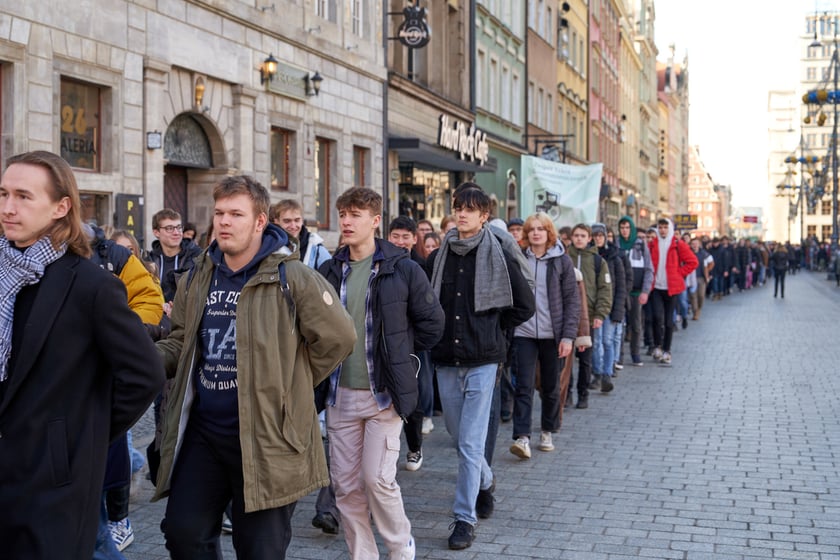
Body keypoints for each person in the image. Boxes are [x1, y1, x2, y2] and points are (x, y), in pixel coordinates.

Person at [152, 175, 356, 559]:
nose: (224, 222)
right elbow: (181, 339)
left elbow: (340, 339)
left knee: (259, 550)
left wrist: (290, 382)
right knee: (183, 534)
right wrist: (144, 358)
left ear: (260, 221)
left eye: (235, 214)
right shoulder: (199, 274)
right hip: (204, 435)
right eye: (219, 213)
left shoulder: (291, 277)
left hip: (267, 440)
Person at [0, 150, 163, 558]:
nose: (8, 208)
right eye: (3, 194)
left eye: (23, 196)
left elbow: (144, 374)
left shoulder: (90, 284)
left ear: (61, 206)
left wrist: (79, 436)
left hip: (51, 480)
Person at [319, 188, 444, 560]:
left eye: (355, 214)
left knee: (376, 478)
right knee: (344, 486)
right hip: (339, 393)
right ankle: (363, 554)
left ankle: (400, 545)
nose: (346, 221)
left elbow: (432, 323)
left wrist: (401, 355)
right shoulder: (329, 269)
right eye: (342, 213)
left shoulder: (401, 267)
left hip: (383, 393)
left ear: (375, 221)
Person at [428, 183, 535, 550]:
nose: (461, 214)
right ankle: (486, 482)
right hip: (445, 358)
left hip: (484, 360)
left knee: (471, 443)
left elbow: (524, 306)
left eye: (470, 209)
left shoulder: (499, 254)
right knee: (460, 440)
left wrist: (495, 335)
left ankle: (464, 518)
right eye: (458, 207)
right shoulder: (439, 254)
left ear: (484, 215)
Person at [509, 213, 580, 459]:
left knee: (550, 386)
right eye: (532, 229)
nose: (536, 233)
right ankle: (522, 436)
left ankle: (547, 430)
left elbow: (572, 301)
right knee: (524, 385)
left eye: (541, 229)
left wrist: (569, 336)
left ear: (549, 233)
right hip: (524, 332)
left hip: (553, 334)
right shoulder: (519, 259)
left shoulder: (561, 261)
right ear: (527, 234)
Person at [387, 215, 436, 469]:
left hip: (414, 343)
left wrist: (421, 342)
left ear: (414, 239)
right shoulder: (381, 263)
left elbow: (430, 310)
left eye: (406, 236)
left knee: (414, 396)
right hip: (388, 341)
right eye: (396, 236)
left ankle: (415, 447)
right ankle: (389, 448)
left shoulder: (421, 266)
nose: (400, 241)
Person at [565, 224, 612, 409]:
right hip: (567, 318)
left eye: (582, 235)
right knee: (566, 360)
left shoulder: (598, 261)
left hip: (589, 317)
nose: (578, 239)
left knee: (585, 360)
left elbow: (605, 290)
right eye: (575, 235)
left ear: (589, 238)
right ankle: (566, 393)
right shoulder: (564, 258)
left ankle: (582, 394)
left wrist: (600, 313)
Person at [647, 218, 698, 365]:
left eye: (665, 227)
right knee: (657, 317)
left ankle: (667, 350)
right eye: (660, 227)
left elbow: (693, 262)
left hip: (671, 288)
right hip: (656, 287)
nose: (662, 230)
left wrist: (679, 274)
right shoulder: (653, 244)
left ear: (669, 229)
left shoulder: (677, 244)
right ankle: (657, 345)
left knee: (669, 321)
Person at [589, 223, 626, 393]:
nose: (598, 238)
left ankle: (607, 374)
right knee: (596, 342)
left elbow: (621, 286)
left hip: (610, 307)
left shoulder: (614, 257)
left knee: (607, 341)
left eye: (600, 235)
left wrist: (619, 310)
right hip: (593, 308)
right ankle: (597, 372)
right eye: (595, 235)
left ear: (605, 237)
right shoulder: (588, 256)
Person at [148, 208, 202, 310]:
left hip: (187, 318)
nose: (176, 233)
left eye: (179, 227)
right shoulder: (149, 260)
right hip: (156, 319)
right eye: (169, 228)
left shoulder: (196, 257)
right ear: (156, 232)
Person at [617, 216, 653, 367]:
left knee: (636, 325)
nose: (625, 231)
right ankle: (618, 356)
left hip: (636, 292)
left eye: (627, 228)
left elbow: (649, 269)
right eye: (622, 228)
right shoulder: (616, 245)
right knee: (618, 324)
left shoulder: (640, 245)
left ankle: (635, 353)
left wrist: (645, 291)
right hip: (620, 292)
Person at [271, 199, 331, 269]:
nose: (293, 226)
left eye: (297, 220)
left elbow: (329, 278)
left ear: (302, 220)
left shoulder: (316, 249)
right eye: (287, 221)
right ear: (276, 221)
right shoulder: (269, 246)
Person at [689, 238, 713, 319]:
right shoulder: (688, 253)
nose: (695, 245)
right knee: (693, 296)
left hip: (701, 277)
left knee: (701, 295)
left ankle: (699, 308)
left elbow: (712, 263)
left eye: (696, 243)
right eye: (693, 244)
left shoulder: (704, 254)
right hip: (691, 278)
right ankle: (695, 312)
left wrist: (707, 271)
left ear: (699, 244)